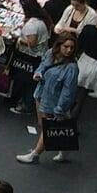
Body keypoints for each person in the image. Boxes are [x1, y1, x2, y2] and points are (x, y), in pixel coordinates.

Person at [18, 33, 80, 164]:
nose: (69, 50)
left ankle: (35, 154)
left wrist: (60, 108)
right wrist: (38, 73)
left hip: (54, 101)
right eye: (66, 46)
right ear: (59, 45)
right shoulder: (50, 54)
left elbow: (68, 91)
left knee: (48, 128)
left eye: (72, 47)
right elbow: (43, 65)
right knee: (43, 125)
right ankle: (64, 148)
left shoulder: (71, 67)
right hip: (41, 95)